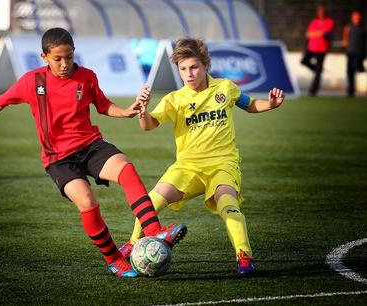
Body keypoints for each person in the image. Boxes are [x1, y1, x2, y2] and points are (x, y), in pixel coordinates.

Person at [0, 27, 187, 278]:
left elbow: (103, 105)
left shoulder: (86, 77)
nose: (65, 64)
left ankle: (154, 230)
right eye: (58, 59)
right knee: (87, 202)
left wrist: (127, 111)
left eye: (70, 57)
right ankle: (114, 259)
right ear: (44, 57)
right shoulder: (32, 81)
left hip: (91, 145)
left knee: (126, 169)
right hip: (59, 158)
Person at [119, 38, 285, 275]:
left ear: (205, 65)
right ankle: (133, 244)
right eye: (183, 69)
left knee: (228, 203)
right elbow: (148, 125)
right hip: (187, 166)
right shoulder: (174, 99)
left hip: (223, 164)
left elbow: (249, 104)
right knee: (150, 201)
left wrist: (270, 104)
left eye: (194, 67)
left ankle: (244, 256)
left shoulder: (225, 88)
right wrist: (143, 111)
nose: (189, 74)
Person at [300, 4, 335, 96]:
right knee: (304, 61)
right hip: (312, 48)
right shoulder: (314, 22)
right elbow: (307, 34)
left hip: (322, 49)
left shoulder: (329, 21)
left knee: (318, 72)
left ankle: (313, 91)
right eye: (319, 11)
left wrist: (315, 33)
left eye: (322, 11)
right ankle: (317, 69)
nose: (321, 13)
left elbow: (325, 33)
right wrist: (318, 33)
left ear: (325, 12)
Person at [342, 10, 366, 97]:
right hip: (350, 52)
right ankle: (350, 91)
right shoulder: (349, 27)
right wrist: (345, 42)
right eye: (355, 17)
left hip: (360, 53)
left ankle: (361, 68)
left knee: (357, 68)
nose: (357, 19)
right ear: (352, 18)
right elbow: (345, 37)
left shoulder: (363, 28)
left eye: (358, 17)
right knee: (349, 71)